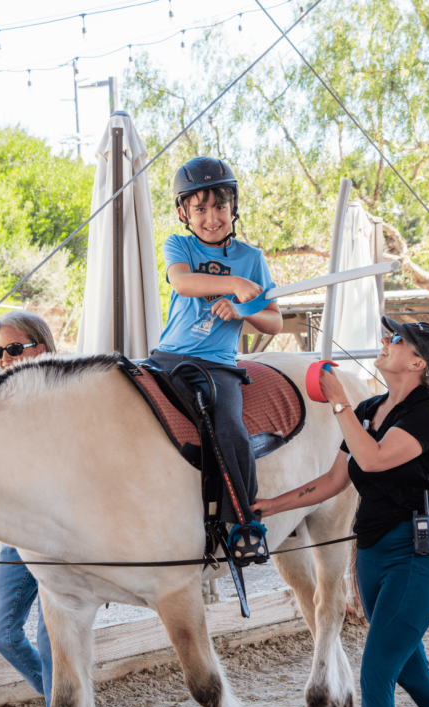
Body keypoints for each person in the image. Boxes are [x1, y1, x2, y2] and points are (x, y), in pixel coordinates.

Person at [255, 318, 429, 707]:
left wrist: (340, 404)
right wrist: (274, 505)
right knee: (409, 668)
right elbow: (332, 480)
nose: (385, 340)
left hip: (416, 555)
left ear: (417, 363)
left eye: (397, 339)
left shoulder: (428, 413)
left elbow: (376, 458)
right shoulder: (369, 410)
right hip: (372, 553)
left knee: (377, 671)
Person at [142, 155, 282, 564]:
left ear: (233, 208)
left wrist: (242, 310)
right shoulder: (179, 244)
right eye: (199, 208)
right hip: (168, 357)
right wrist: (235, 285)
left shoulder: (252, 257)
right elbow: (183, 282)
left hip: (217, 365)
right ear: (184, 212)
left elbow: (272, 322)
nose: (211, 217)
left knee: (230, 429)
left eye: (219, 206)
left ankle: (243, 522)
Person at [0, 310, 57, 707]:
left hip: (61, 537)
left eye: (14, 348)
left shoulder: (67, 395)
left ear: (40, 348)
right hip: (18, 532)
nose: (5, 359)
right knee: (1, 633)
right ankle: (66, 697)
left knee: (53, 642)